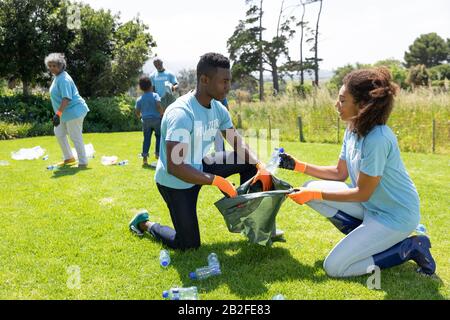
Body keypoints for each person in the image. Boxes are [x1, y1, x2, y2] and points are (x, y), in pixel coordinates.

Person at [280, 67, 436, 277]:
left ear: (362, 105)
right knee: (310, 187)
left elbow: (362, 193)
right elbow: (338, 173)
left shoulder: (378, 139)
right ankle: (367, 237)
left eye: (343, 100)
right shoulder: (352, 129)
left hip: (394, 216)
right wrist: (297, 165)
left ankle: (409, 248)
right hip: (371, 207)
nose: (337, 105)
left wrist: (315, 195)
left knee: (335, 268)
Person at [129, 53, 275, 250]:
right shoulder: (181, 114)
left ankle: (249, 219)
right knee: (188, 244)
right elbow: (176, 166)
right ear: (204, 80)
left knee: (249, 162)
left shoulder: (218, 109)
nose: (228, 87)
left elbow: (238, 143)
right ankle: (144, 224)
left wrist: (260, 166)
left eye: (229, 81)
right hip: (176, 181)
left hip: (200, 164)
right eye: (223, 81)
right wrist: (217, 180)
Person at [45, 53, 90, 168]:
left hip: (74, 111)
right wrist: (58, 114)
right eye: (49, 66)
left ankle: (83, 162)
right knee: (59, 132)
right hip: (64, 113)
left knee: (75, 136)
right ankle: (69, 157)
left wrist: (58, 114)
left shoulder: (64, 79)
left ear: (61, 66)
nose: (51, 68)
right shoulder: (57, 78)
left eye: (54, 66)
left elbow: (66, 98)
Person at [135, 76, 163, 165]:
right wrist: (162, 113)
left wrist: (139, 116)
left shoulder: (139, 99)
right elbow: (158, 105)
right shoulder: (155, 95)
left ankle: (145, 159)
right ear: (151, 86)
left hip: (146, 121)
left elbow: (137, 111)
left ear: (141, 88)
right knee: (159, 136)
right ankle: (158, 155)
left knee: (146, 139)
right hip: (156, 120)